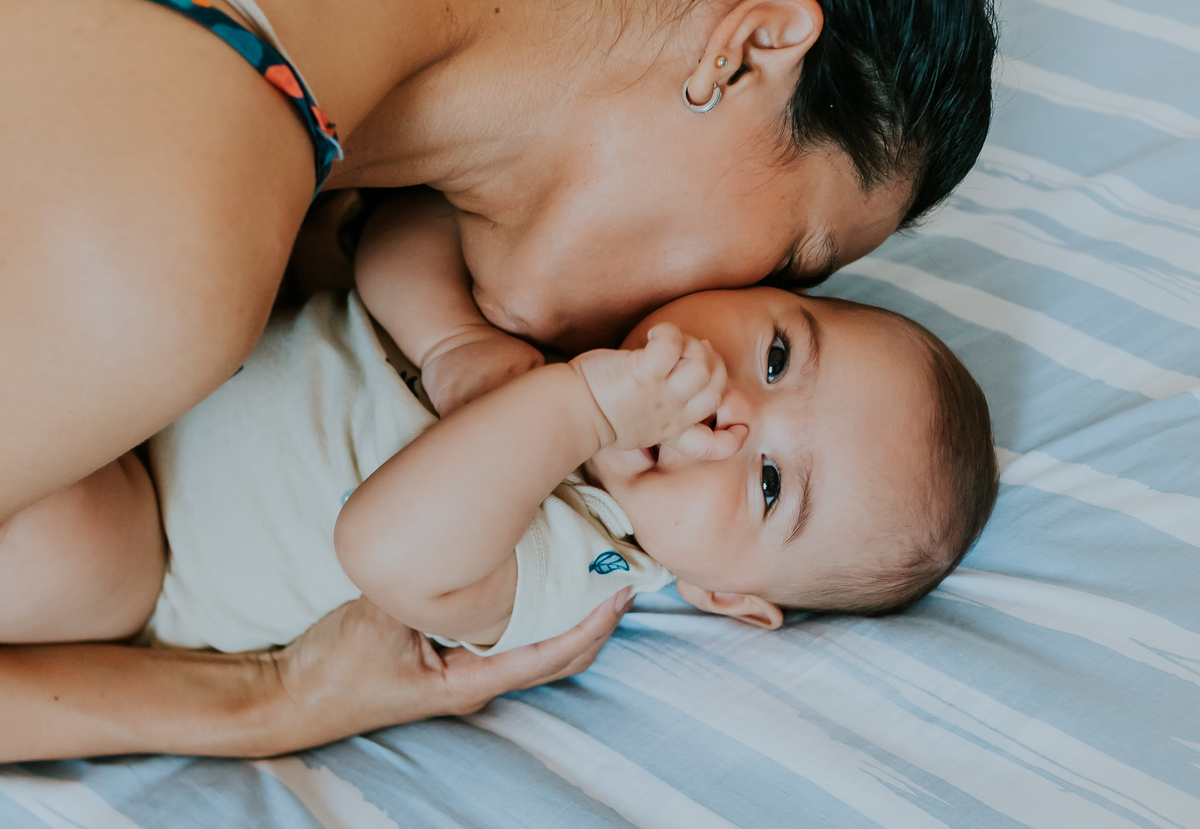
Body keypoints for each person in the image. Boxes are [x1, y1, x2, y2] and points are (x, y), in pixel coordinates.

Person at [0, 0, 996, 758]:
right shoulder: (159, 266)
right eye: (789, 262)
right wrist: (259, 705)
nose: (722, 310)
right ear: (745, 52)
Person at [3, 192, 999, 677]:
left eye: (772, 485)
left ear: (725, 596)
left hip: (147, 542)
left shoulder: (590, 564)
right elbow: (411, 218)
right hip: (128, 365)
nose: (737, 415)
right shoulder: (576, 319)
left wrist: (582, 414)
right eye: (779, 356)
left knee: (76, 541)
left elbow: (385, 550)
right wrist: (454, 342)